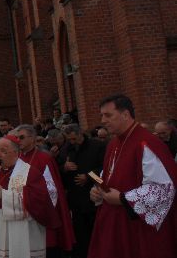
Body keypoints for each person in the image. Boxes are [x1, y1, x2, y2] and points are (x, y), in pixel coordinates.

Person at [88, 95, 177, 258]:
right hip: (113, 221)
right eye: (102, 115)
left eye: (108, 115)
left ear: (125, 114)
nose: (103, 120)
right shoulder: (113, 143)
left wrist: (123, 198)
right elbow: (107, 175)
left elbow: (162, 189)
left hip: (136, 227)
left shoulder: (146, 142)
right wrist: (97, 190)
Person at [14, 125, 75, 256]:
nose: (18, 140)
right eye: (17, 138)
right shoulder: (17, 159)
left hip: (42, 212)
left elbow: (52, 190)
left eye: (22, 137)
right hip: (23, 211)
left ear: (32, 138)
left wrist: (39, 210)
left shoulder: (44, 158)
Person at [61, 124, 105, 258]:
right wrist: (64, 167)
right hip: (75, 200)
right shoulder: (67, 148)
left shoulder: (97, 146)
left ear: (81, 134)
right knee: (80, 235)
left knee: (96, 232)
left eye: (74, 139)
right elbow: (57, 170)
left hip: (94, 198)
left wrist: (88, 176)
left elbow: (105, 170)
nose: (72, 142)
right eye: (69, 139)